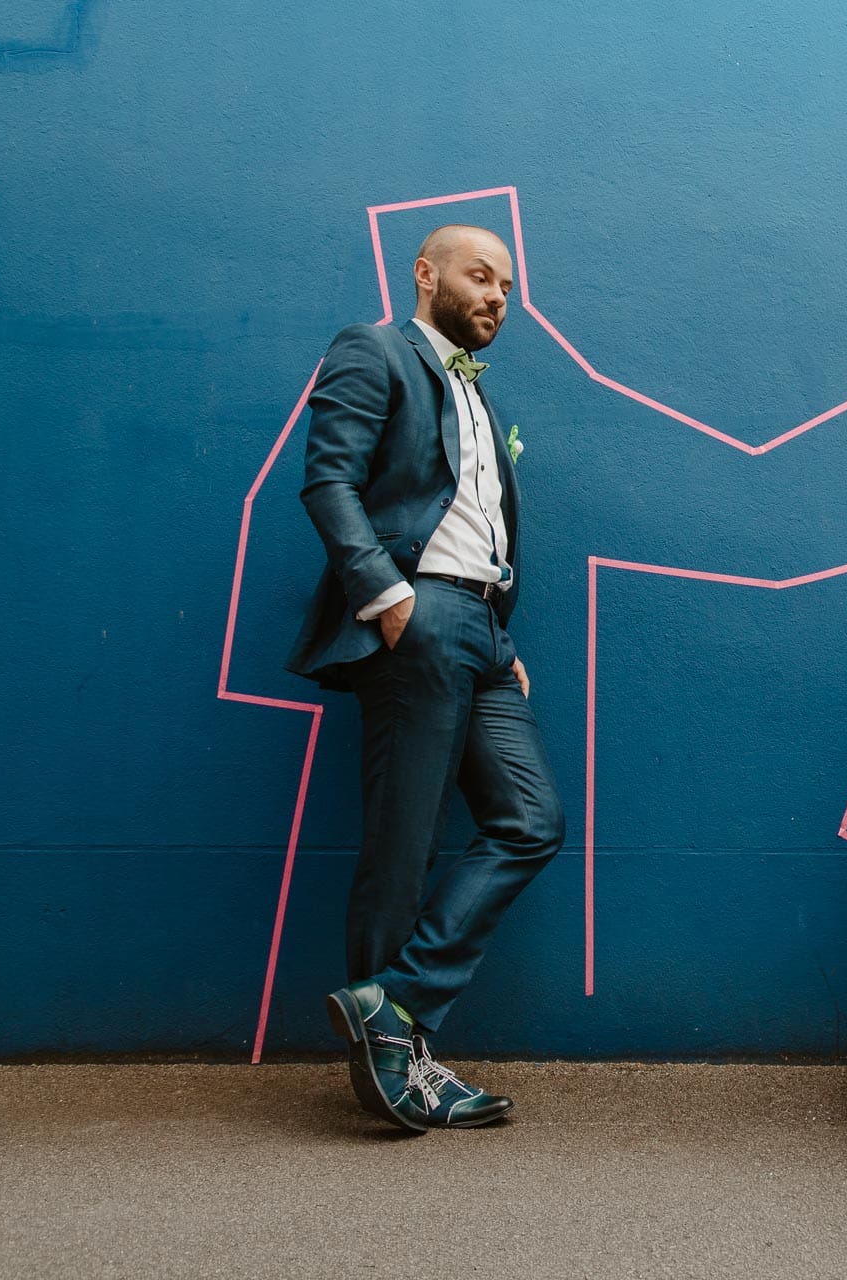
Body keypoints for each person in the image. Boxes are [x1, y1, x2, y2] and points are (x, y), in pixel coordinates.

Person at [285, 224, 564, 1133]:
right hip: (420, 616)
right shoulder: (376, 350)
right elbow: (329, 481)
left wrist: (500, 631)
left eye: (508, 287)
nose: (496, 296)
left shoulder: (479, 393)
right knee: (403, 845)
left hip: (482, 629)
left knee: (530, 822)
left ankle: (391, 1009)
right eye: (480, 277)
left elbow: (477, 518)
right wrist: (389, 598)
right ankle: (400, 1066)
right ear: (426, 273)